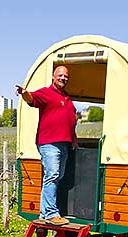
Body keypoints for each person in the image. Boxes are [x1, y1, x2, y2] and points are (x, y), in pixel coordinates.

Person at [16, 66, 78, 225]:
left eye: (66, 76)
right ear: (53, 76)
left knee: (57, 177)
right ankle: (51, 213)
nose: (63, 78)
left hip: (64, 143)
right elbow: (32, 98)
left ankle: (45, 212)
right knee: (52, 175)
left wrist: (74, 138)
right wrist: (24, 94)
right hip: (49, 143)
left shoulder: (66, 98)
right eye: (60, 75)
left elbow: (71, 121)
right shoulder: (46, 92)